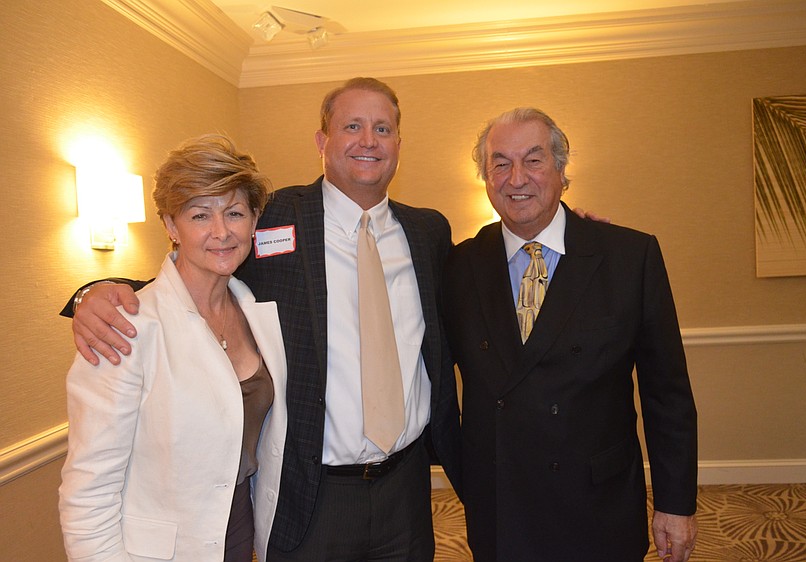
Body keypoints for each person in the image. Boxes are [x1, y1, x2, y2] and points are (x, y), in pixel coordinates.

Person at [63, 78, 463, 562]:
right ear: (322, 140)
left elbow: (467, 309)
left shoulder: (428, 231)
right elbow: (194, 272)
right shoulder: (273, 218)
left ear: (399, 142)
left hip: (407, 486)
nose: (368, 140)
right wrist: (94, 294)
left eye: (383, 128)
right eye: (351, 126)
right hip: (311, 494)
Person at [442, 108, 699, 562]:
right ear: (485, 177)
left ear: (562, 170)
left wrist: (675, 505)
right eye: (500, 163)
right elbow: (433, 379)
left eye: (533, 160)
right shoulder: (459, 266)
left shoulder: (627, 257)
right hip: (502, 507)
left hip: (598, 505)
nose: (516, 178)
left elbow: (668, 394)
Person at [58, 134, 288, 561]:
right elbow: (89, 491)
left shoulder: (257, 312)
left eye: (235, 213)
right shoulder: (126, 326)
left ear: (254, 220)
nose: (221, 232)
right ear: (170, 225)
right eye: (200, 215)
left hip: (239, 525)